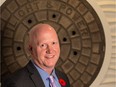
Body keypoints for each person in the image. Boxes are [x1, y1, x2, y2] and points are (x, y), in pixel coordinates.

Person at [2, 24, 70, 87]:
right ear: (31, 49)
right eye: (43, 45)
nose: (50, 50)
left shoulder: (63, 77)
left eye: (53, 43)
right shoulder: (15, 83)